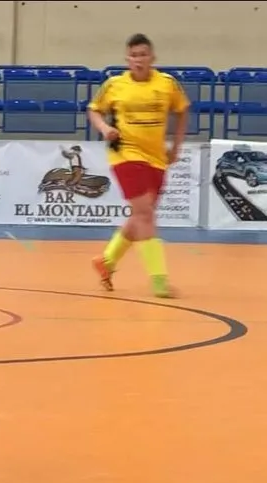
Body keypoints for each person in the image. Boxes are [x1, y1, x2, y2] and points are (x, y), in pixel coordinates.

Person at [88, 33, 188, 298]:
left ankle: (107, 262)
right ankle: (159, 281)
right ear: (127, 59)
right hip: (126, 154)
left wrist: (176, 147)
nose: (138, 60)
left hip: (156, 157)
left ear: (152, 57)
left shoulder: (167, 83)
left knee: (141, 215)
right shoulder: (114, 84)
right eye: (133, 56)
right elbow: (94, 110)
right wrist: (104, 128)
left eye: (143, 55)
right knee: (145, 215)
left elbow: (182, 111)